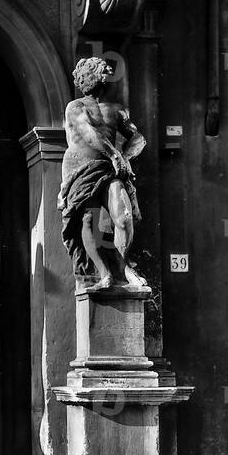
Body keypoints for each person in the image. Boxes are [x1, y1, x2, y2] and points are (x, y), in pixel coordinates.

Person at [58, 56, 147, 292]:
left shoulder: (117, 110)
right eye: (99, 70)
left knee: (124, 216)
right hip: (80, 167)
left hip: (108, 168)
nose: (106, 72)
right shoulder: (75, 107)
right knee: (87, 220)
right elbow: (89, 134)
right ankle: (104, 273)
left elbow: (138, 139)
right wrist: (115, 155)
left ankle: (123, 266)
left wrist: (125, 156)